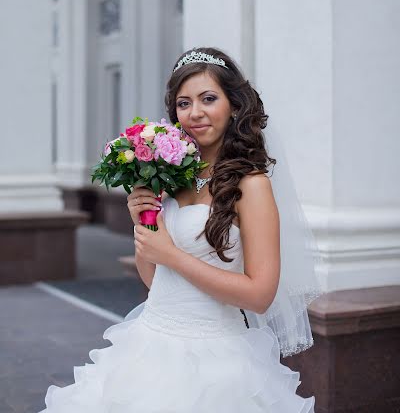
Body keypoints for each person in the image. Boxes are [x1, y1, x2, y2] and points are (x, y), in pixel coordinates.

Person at [38, 47, 322, 412]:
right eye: (184, 103)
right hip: (149, 342)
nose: (195, 113)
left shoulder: (251, 185)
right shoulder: (172, 176)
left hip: (215, 357)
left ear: (234, 106)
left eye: (208, 99)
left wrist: (170, 253)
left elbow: (259, 295)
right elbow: (156, 280)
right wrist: (142, 221)